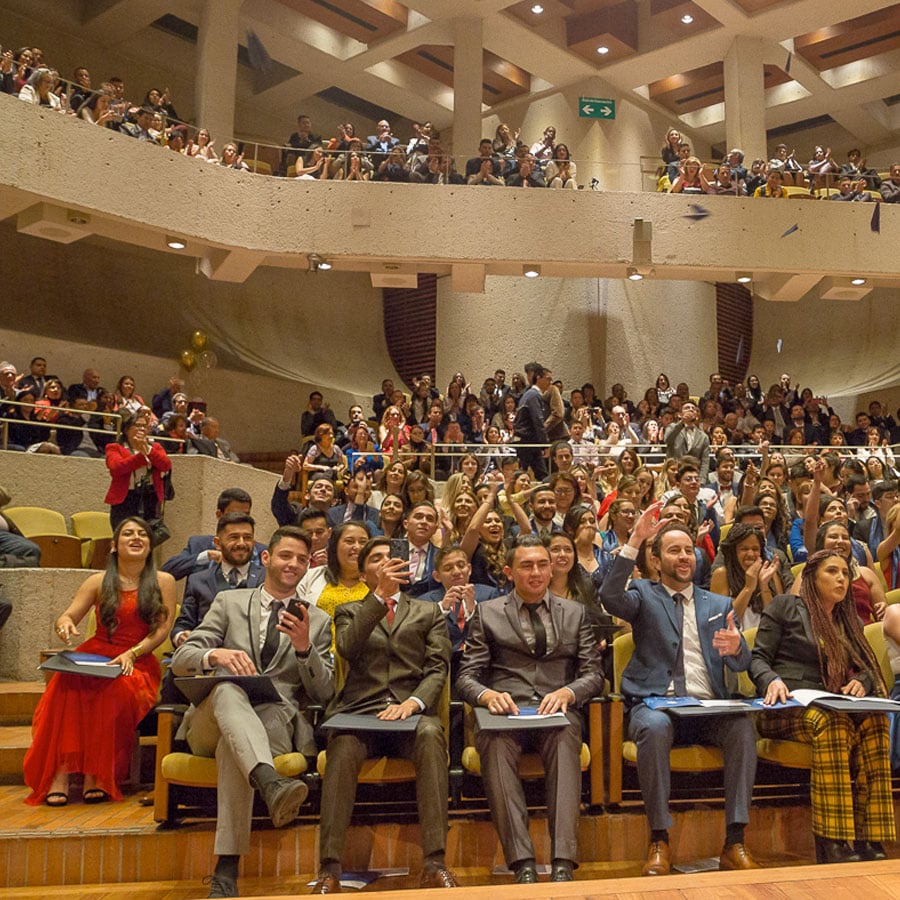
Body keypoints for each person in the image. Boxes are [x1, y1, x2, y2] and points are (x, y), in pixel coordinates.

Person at [171, 526, 333, 898]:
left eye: (301, 560)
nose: (293, 564)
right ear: (266, 558)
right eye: (285, 556)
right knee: (227, 687)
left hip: (271, 726)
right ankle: (270, 783)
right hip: (210, 724)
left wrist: (305, 648)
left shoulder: (318, 620)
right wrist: (215, 655)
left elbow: (324, 692)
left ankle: (226, 870)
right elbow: (181, 659)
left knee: (235, 748)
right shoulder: (229, 602)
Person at [600, 506, 760, 876]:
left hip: (708, 707)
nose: (684, 557)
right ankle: (659, 839)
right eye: (674, 550)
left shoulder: (718, 605)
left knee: (741, 727)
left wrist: (737, 648)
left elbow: (739, 664)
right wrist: (635, 540)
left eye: (688, 550)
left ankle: (735, 840)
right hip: (657, 705)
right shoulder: (642, 593)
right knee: (654, 729)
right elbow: (610, 597)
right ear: (656, 560)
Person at [456, 535, 604, 884]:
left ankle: (563, 861)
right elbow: (466, 677)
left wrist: (569, 692)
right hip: (506, 712)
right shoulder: (487, 613)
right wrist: (487, 695)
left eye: (542, 564)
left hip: (556, 711)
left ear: (552, 568)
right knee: (493, 744)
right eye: (526, 566)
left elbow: (594, 674)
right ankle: (521, 862)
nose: (536, 572)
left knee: (567, 734)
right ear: (509, 572)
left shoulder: (576, 612)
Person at [311, 537, 456, 893]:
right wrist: (377, 597)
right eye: (376, 560)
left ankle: (435, 864)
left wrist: (415, 703)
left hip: (409, 713)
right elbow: (346, 648)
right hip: (361, 713)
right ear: (364, 572)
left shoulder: (427, 611)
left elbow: (438, 667)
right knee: (341, 746)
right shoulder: (349, 610)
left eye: (392, 558)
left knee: (430, 734)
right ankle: (329, 869)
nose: (386, 564)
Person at [752, 549, 895, 863]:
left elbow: (868, 667)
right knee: (833, 723)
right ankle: (832, 841)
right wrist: (772, 680)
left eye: (845, 573)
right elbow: (758, 658)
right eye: (832, 572)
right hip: (785, 706)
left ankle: (870, 837)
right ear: (811, 577)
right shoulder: (786, 606)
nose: (841, 578)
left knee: (876, 721)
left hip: (832, 706)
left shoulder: (848, 619)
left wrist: (865, 683)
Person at [24, 517, 176, 806]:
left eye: (142, 534)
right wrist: (65, 624)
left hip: (137, 658)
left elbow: (161, 630)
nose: (136, 538)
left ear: (150, 544)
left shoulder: (163, 581)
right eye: (128, 534)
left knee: (115, 690)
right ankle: (61, 773)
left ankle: (99, 774)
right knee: (65, 683)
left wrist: (132, 653)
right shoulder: (97, 580)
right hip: (96, 652)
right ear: (114, 546)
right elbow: (68, 616)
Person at [169, 512, 265, 649]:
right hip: (208, 659)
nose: (242, 543)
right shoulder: (198, 580)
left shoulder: (267, 578)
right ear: (217, 543)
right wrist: (181, 635)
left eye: (247, 538)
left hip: (255, 662)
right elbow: (184, 623)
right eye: (234, 537)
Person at [162, 487, 266, 580]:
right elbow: (165, 573)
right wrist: (206, 556)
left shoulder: (262, 551)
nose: (240, 519)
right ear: (219, 515)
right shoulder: (198, 545)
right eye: (234, 514)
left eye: (246, 514)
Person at [104, 410, 172, 530]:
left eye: (144, 426)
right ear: (126, 429)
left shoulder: (155, 447)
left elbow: (166, 465)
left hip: (150, 498)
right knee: (124, 536)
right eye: (137, 425)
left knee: (148, 538)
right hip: (125, 500)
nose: (142, 429)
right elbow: (116, 468)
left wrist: (147, 450)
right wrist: (141, 458)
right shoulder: (115, 448)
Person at [710, 523, 782, 630]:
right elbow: (723, 624)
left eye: (755, 549)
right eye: (744, 549)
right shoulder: (721, 574)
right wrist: (748, 588)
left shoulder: (769, 574)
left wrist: (764, 586)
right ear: (733, 551)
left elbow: (777, 622)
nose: (750, 554)